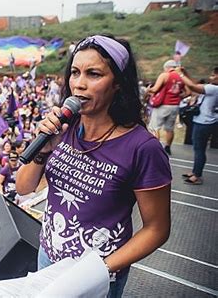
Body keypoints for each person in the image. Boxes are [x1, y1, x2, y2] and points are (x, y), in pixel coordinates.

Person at [16, 35, 171, 297]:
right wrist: (43, 150)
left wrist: (98, 270)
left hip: (96, 276)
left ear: (118, 84)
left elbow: (157, 229)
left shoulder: (142, 148)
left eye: (94, 74)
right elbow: (23, 187)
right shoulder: (63, 127)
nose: (79, 84)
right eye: (75, 73)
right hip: (48, 258)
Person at [177, 66, 218, 185]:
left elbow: (192, 87)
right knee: (199, 149)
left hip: (203, 122)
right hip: (207, 121)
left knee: (199, 149)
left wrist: (180, 74)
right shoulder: (212, 88)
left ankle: (197, 175)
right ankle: (196, 171)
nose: (212, 77)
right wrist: (186, 73)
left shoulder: (214, 89)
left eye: (214, 75)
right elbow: (196, 85)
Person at [147, 60, 187, 155]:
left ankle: (154, 148)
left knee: (154, 127)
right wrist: (178, 96)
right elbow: (187, 92)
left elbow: (155, 89)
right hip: (174, 105)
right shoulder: (181, 77)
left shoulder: (165, 75)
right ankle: (168, 147)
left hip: (162, 104)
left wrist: (149, 89)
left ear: (167, 67)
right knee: (169, 128)